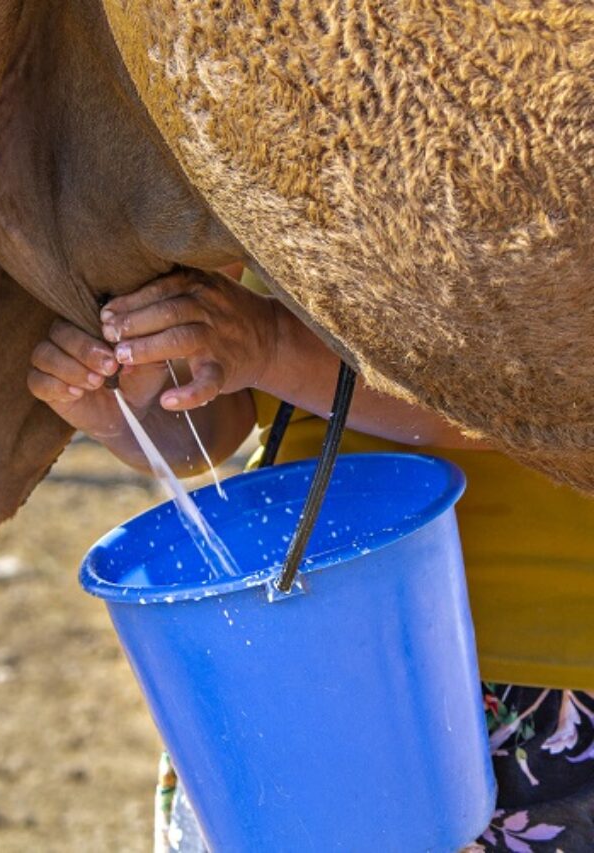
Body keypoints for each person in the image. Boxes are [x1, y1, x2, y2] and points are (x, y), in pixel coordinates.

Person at [29, 268, 594, 851]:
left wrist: (273, 344)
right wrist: (134, 411)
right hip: (278, 665)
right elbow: (230, 411)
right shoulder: (245, 176)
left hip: (540, 684)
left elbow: (561, 404)